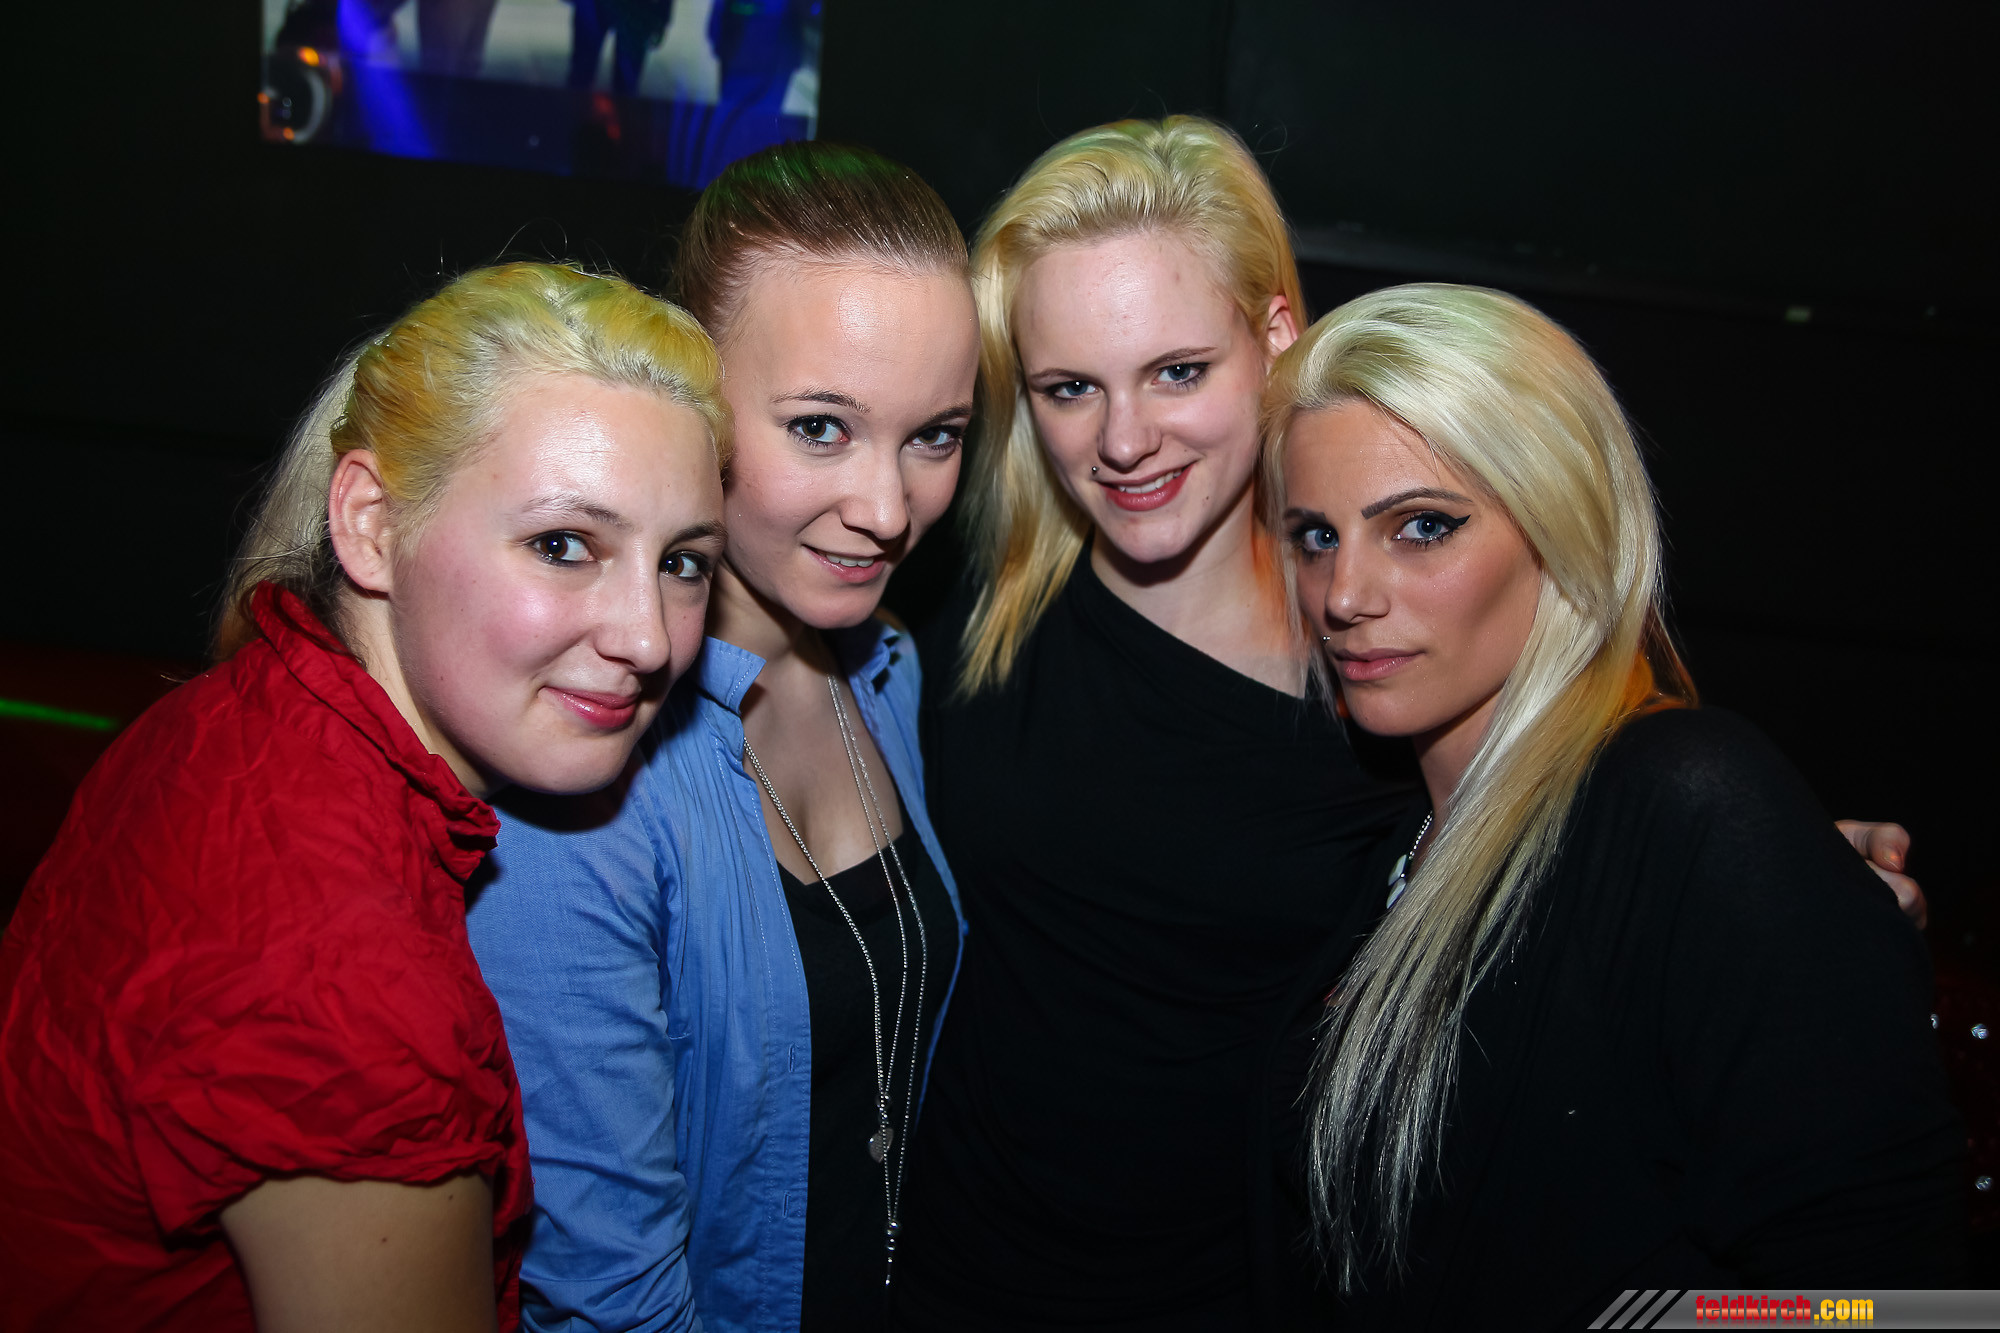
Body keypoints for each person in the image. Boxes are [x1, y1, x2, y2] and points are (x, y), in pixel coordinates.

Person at [892, 116, 1932, 1330]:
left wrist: (1769, 879)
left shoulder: (1462, 722)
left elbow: (1887, 1297)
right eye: (1069, 387)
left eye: (1176, 370)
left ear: (1271, 335)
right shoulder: (965, 617)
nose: (1350, 593)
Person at [0, 262, 730, 1332]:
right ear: (371, 524)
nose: (648, 638)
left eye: (683, 563)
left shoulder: (248, 712)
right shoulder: (343, 987)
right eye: (564, 545)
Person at [1269, 283, 1963, 1326]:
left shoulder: (1685, 799)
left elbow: (1894, 1304)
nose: (1344, 594)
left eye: (1421, 527)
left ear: (1561, 528)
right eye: (1315, 537)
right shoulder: (1386, 836)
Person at [464, 142, 976, 1333]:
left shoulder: (887, 667)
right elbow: (607, 1298)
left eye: (934, 436)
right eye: (820, 427)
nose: (887, 509)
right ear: (694, 398)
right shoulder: (583, 779)